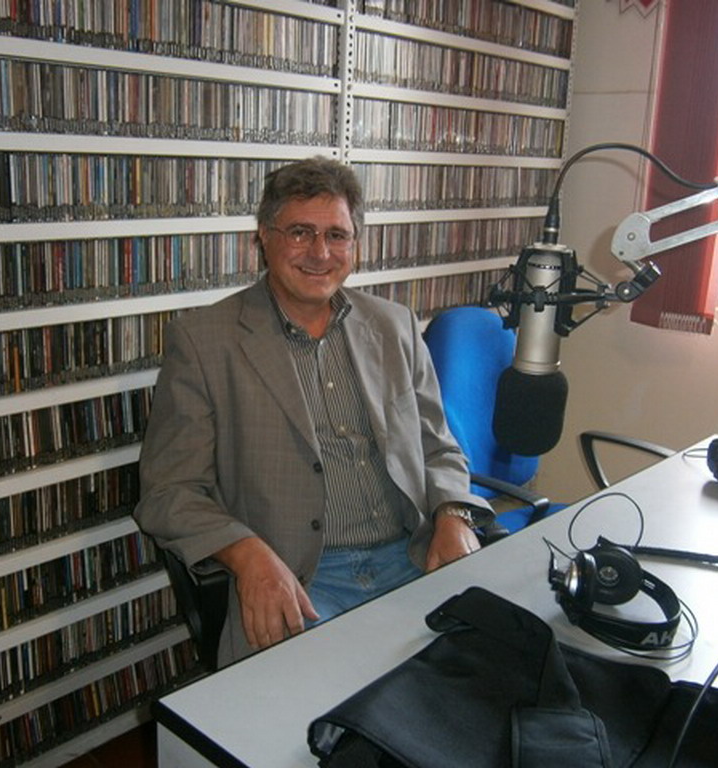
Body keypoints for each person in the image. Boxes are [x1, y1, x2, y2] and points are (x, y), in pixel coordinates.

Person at [133, 156, 494, 667]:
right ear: (263, 237)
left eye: (337, 235)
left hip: (414, 557)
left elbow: (439, 448)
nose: (320, 253)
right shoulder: (203, 342)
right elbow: (169, 492)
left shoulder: (394, 326)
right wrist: (247, 554)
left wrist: (453, 515)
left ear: (355, 244)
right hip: (301, 580)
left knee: (498, 676)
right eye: (300, 232)